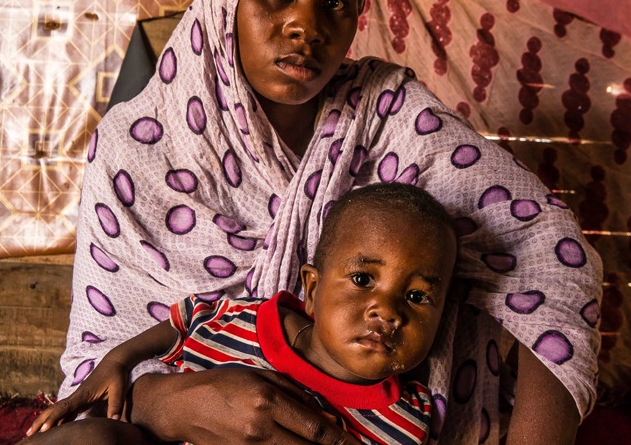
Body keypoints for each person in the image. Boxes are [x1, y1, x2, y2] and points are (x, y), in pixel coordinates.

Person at [52, 0, 602, 445]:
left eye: (335, 3)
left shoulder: (388, 116)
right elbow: (101, 362)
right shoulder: (135, 151)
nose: (306, 26)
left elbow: (552, 259)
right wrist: (169, 401)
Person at [25, 183, 458, 445]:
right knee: (94, 437)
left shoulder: (405, 418)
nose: (388, 311)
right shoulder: (247, 324)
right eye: (363, 280)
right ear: (310, 289)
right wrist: (119, 361)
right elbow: (184, 321)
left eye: (418, 297)